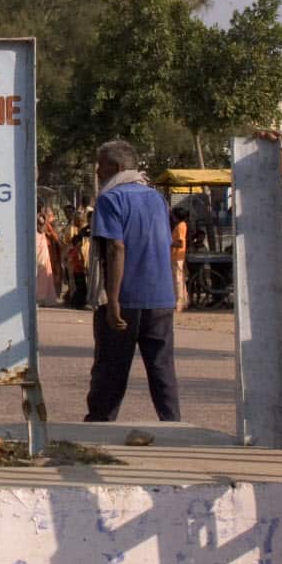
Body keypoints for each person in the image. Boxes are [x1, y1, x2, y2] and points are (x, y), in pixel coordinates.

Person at [85, 140, 180, 422]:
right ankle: (174, 423)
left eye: (100, 165)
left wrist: (112, 300)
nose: (97, 171)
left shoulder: (109, 199)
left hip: (125, 297)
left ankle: (98, 426)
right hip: (161, 297)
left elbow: (116, 247)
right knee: (162, 369)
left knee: (110, 368)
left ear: (115, 167)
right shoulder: (156, 198)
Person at [34, 208, 59, 306]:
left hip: (40, 244)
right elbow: (41, 229)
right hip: (39, 245)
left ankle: (41, 297)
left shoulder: (38, 217)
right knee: (42, 271)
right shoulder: (40, 217)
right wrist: (45, 224)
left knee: (42, 271)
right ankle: (40, 297)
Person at [171, 207, 189, 312]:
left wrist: (168, 242)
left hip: (177, 256)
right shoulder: (180, 225)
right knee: (180, 279)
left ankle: (178, 303)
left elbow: (180, 243)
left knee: (177, 280)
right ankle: (184, 302)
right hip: (176, 256)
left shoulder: (180, 226)